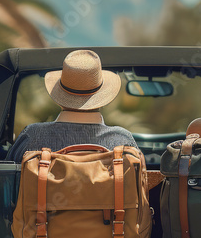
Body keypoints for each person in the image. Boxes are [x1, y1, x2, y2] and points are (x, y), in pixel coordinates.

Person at [8, 49, 137, 162]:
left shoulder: (33, 136)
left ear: (59, 99)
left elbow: (9, 179)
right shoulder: (122, 141)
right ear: (102, 99)